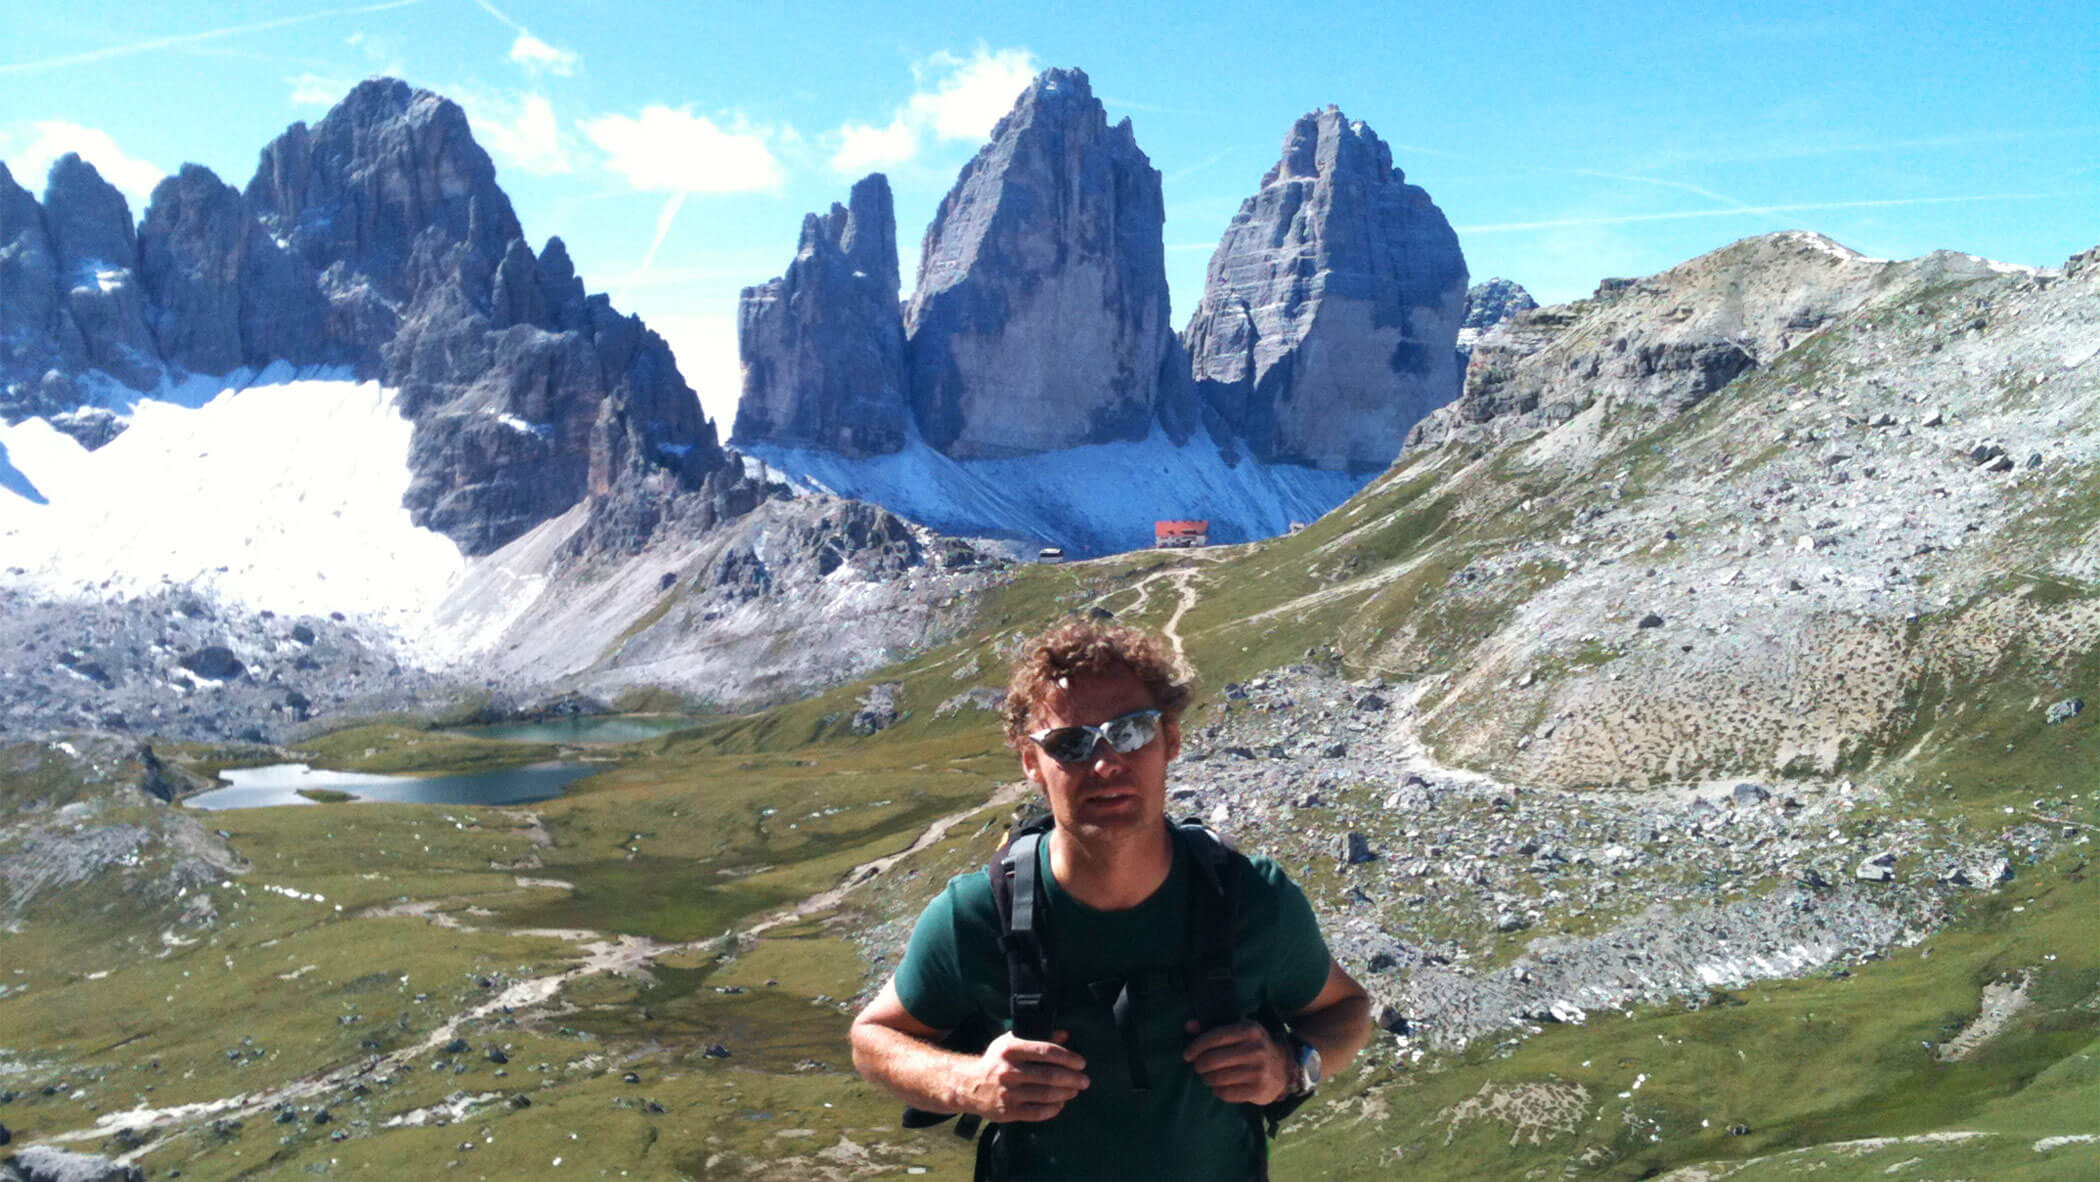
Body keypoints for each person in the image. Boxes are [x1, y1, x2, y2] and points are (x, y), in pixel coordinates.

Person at [851, 619, 1372, 1180]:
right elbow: (872, 1040)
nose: (1105, 764)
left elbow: (1346, 1010)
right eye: (1070, 743)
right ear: (1032, 764)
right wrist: (969, 1083)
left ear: (1169, 740)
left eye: (1131, 731)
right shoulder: (977, 913)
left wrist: (1292, 1069)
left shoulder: (1251, 897)